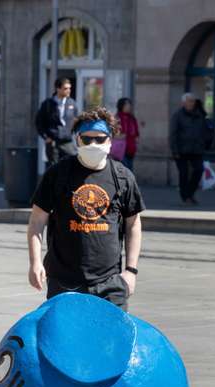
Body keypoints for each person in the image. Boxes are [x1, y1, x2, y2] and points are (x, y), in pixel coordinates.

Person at [27, 108, 145, 312]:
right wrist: (35, 262)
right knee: (66, 342)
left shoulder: (123, 177)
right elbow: (37, 221)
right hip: (64, 282)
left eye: (99, 139)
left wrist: (131, 271)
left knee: (110, 342)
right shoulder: (57, 174)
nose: (93, 145)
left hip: (110, 284)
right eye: (86, 139)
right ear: (77, 140)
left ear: (110, 140)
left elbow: (133, 224)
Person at [169, 93, 207, 205]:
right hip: (181, 150)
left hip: (196, 149)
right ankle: (185, 196)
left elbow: (204, 131)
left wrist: (204, 144)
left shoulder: (199, 114)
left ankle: (190, 193)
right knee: (184, 173)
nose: (191, 103)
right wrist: (174, 150)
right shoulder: (178, 115)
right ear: (183, 103)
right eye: (189, 101)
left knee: (199, 170)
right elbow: (173, 134)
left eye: (193, 101)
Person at [36, 77, 79, 166]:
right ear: (58, 89)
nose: (68, 91)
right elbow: (39, 122)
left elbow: (76, 120)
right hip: (53, 142)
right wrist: (45, 137)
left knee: (72, 165)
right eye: (65, 88)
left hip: (68, 142)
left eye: (69, 88)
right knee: (53, 169)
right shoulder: (47, 104)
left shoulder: (72, 103)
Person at [116, 98, 139, 171]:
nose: (129, 106)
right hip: (120, 149)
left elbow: (136, 132)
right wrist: (119, 136)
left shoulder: (132, 118)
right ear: (121, 106)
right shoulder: (117, 118)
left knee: (129, 169)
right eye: (126, 104)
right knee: (124, 170)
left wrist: (136, 138)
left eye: (129, 104)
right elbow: (112, 133)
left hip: (131, 149)